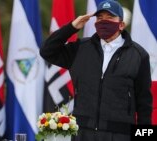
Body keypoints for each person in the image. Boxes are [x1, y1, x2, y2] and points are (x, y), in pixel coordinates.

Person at [40, 0, 153, 141]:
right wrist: (72, 27)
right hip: (82, 133)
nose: (104, 21)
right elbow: (47, 51)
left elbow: (145, 103)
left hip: (120, 135)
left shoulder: (138, 55)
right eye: (100, 18)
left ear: (121, 24)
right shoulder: (80, 48)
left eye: (110, 17)